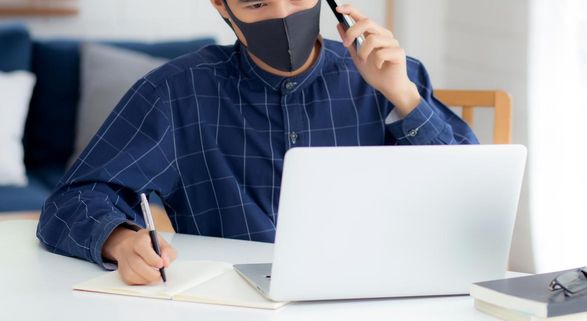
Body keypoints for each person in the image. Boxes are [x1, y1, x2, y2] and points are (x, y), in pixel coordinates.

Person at [36, 0, 478, 285]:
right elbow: (71, 201)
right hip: (233, 317)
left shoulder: (394, 77)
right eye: (257, 3)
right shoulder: (176, 92)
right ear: (222, 8)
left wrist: (404, 96)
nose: (283, 15)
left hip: (374, 303)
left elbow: (472, 201)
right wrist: (118, 238)